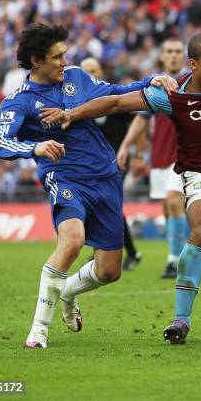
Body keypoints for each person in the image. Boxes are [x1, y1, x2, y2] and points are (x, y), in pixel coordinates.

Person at [40, 32, 201, 344]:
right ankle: (181, 319)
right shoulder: (174, 93)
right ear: (193, 64)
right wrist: (71, 113)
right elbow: (115, 103)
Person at [0, 23, 170, 348]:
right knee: (72, 241)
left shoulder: (76, 77)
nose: (64, 61)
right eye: (57, 57)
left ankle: (69, 291)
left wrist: (149, 81)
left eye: (64, 54)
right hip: (64, 177)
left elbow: (114, 93)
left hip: (104, 176)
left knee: (110, 271)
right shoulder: (18, 101)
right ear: (36, 60)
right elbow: (1, 142)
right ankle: (38, 331)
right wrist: (35, 147)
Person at [116, 39, 189, 278]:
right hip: (160, 154)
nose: (174, 55)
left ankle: (175, 261)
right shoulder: (156, 84)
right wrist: (129, 148)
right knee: (168, 208)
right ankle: (178, 252)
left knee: (174, 200)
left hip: (187, 154)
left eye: (178, 51)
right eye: (169, 51)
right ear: (163, 57)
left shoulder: (192, 82)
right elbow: (141, 119)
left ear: (185, 57)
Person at [79, 57, 142, 271]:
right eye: (85, 71)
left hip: (118, 159)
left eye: (94, 70)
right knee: (99, 204)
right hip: (92, 163)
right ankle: (116, 252)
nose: (90, 75)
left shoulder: (114, 96)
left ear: (101, 72)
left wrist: (139, 155)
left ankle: (128, 252)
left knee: (110, 202)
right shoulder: (77, 100)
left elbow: (139, 120)